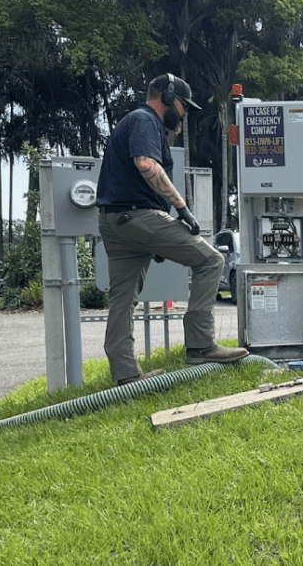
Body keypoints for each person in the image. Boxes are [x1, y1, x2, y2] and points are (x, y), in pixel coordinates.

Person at [96, 73, 248, 386]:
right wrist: (182, 208)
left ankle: (125, 374)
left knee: (122, 298)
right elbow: (146, 165)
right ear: (167, 98)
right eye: (184, 105)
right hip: (138, 216)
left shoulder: (134, 121)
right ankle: (201, 345)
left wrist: (155, 240)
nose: (186, 113)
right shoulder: (145, 120)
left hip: (115, 221)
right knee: (212, 260)